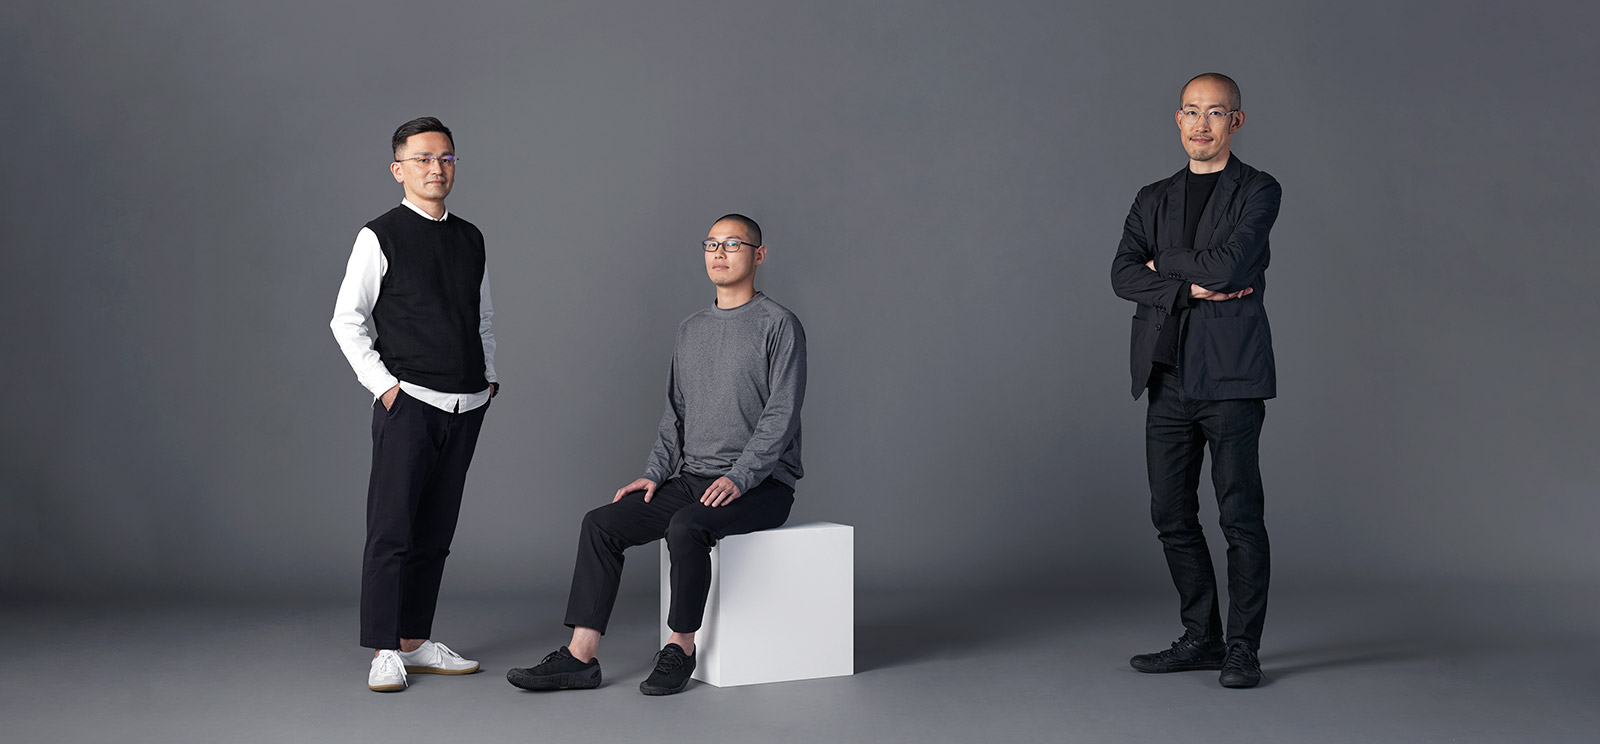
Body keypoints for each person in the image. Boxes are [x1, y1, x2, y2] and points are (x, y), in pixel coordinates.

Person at [506, 213, 805, 696]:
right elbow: (675, 414)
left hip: (763, 485)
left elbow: (781, 414)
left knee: (687, 526)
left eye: (733, 244)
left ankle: (680, 647)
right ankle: (580, 657)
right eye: (711, 244)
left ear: (758, 255)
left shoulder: (779, 325)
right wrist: (655, 472)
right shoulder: (691, 329)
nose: (720, 253)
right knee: (601, 524)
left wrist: (741, 476)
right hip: (693, 478)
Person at [1110, 73, 1282, 688]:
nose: (1201, 123)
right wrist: (1188, 286)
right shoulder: (1152, 196)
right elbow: (1122, 273)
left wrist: (1164, 264)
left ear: (1236, 121)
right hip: (1166, 375)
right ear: (1178, 119)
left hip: (1231, 376)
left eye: (1215, 112)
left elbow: (1232, 266)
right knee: (1172, 515)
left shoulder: (1258, 189)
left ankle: (1243, 649)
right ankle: (1202, 638)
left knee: (1240, 519)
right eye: (1191, 110)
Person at [331, 117, 497, 692]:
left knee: (435, 533)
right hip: (410, 401)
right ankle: (384, 649)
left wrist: (489, 379)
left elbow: (482, 317)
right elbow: (347, 320)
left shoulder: (470, 237)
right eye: (423, 158)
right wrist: (385, 388)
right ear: (398, 169)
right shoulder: (379, 235)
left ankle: (414, 641)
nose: (436, 168)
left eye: (446, 158)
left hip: (466, 403)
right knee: (392, 530)